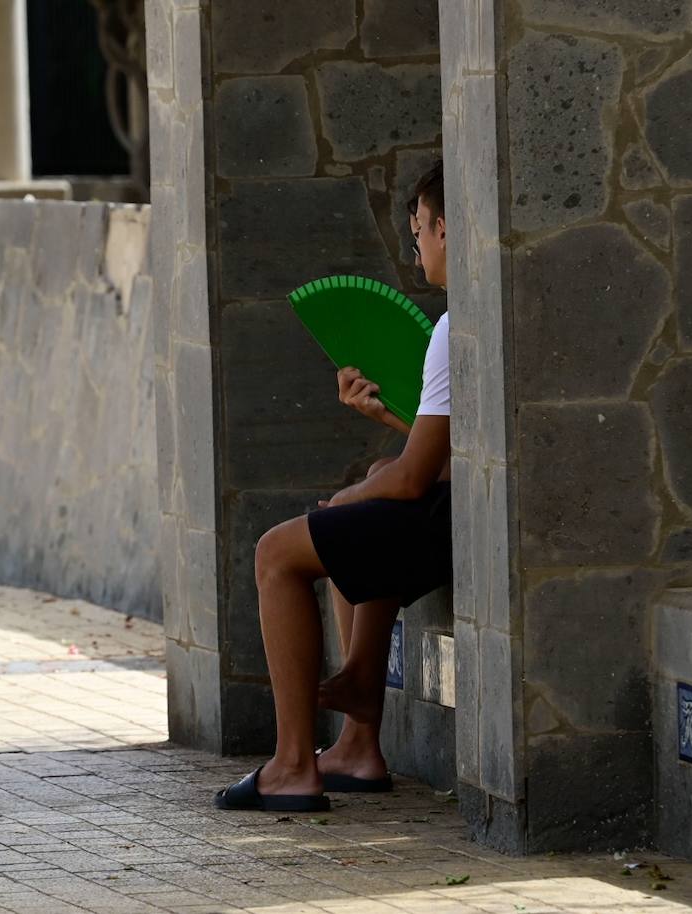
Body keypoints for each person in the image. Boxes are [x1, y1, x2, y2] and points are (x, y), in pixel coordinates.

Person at [215, 161, 452, 812]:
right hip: (479, 511)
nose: (416, 248)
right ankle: (357, 745)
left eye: (419, 234)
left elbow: (414, 481)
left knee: (277, 552)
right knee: (373, 483)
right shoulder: (487, 315)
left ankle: (293, 764)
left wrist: (340, 504)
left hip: (452, 523)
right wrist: (385, 420)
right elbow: (457, 457)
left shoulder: (454, 332)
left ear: (448, 228)